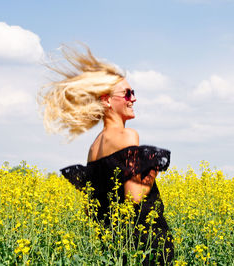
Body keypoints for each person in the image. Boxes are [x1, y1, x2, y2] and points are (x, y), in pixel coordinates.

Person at [39, 44, 174, 265]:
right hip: (142, 246)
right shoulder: (128, 136)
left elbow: (91, 206)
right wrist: (150, 171)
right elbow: (134, 198)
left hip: (113, 246)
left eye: (133, 93)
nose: (133, 99)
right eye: (127, 93)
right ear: (107, 100)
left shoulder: (94, 148)